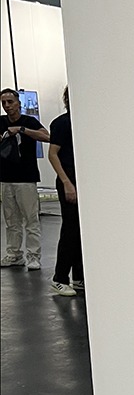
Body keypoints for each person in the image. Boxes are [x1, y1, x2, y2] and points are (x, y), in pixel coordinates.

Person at [0, 88, 50, 270]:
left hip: (26, 179)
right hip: (6, 179)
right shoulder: (0, 122)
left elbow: (47, 136)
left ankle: (33, 256)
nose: (7, 106)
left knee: (30, 220)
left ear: (18, 103)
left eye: (10, 102)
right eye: (4, 102)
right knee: (11, 221)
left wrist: (22, 130)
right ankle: (14, 254)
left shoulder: (29, 121)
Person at [47, 86, 84, 296]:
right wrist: (67, 182)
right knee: (70, 230)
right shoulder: (62, 123)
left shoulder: (83, 121)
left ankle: (78, 277)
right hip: (68, 177)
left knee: (81, 230)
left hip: (81, 178)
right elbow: (53, 154)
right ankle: (60, 278)